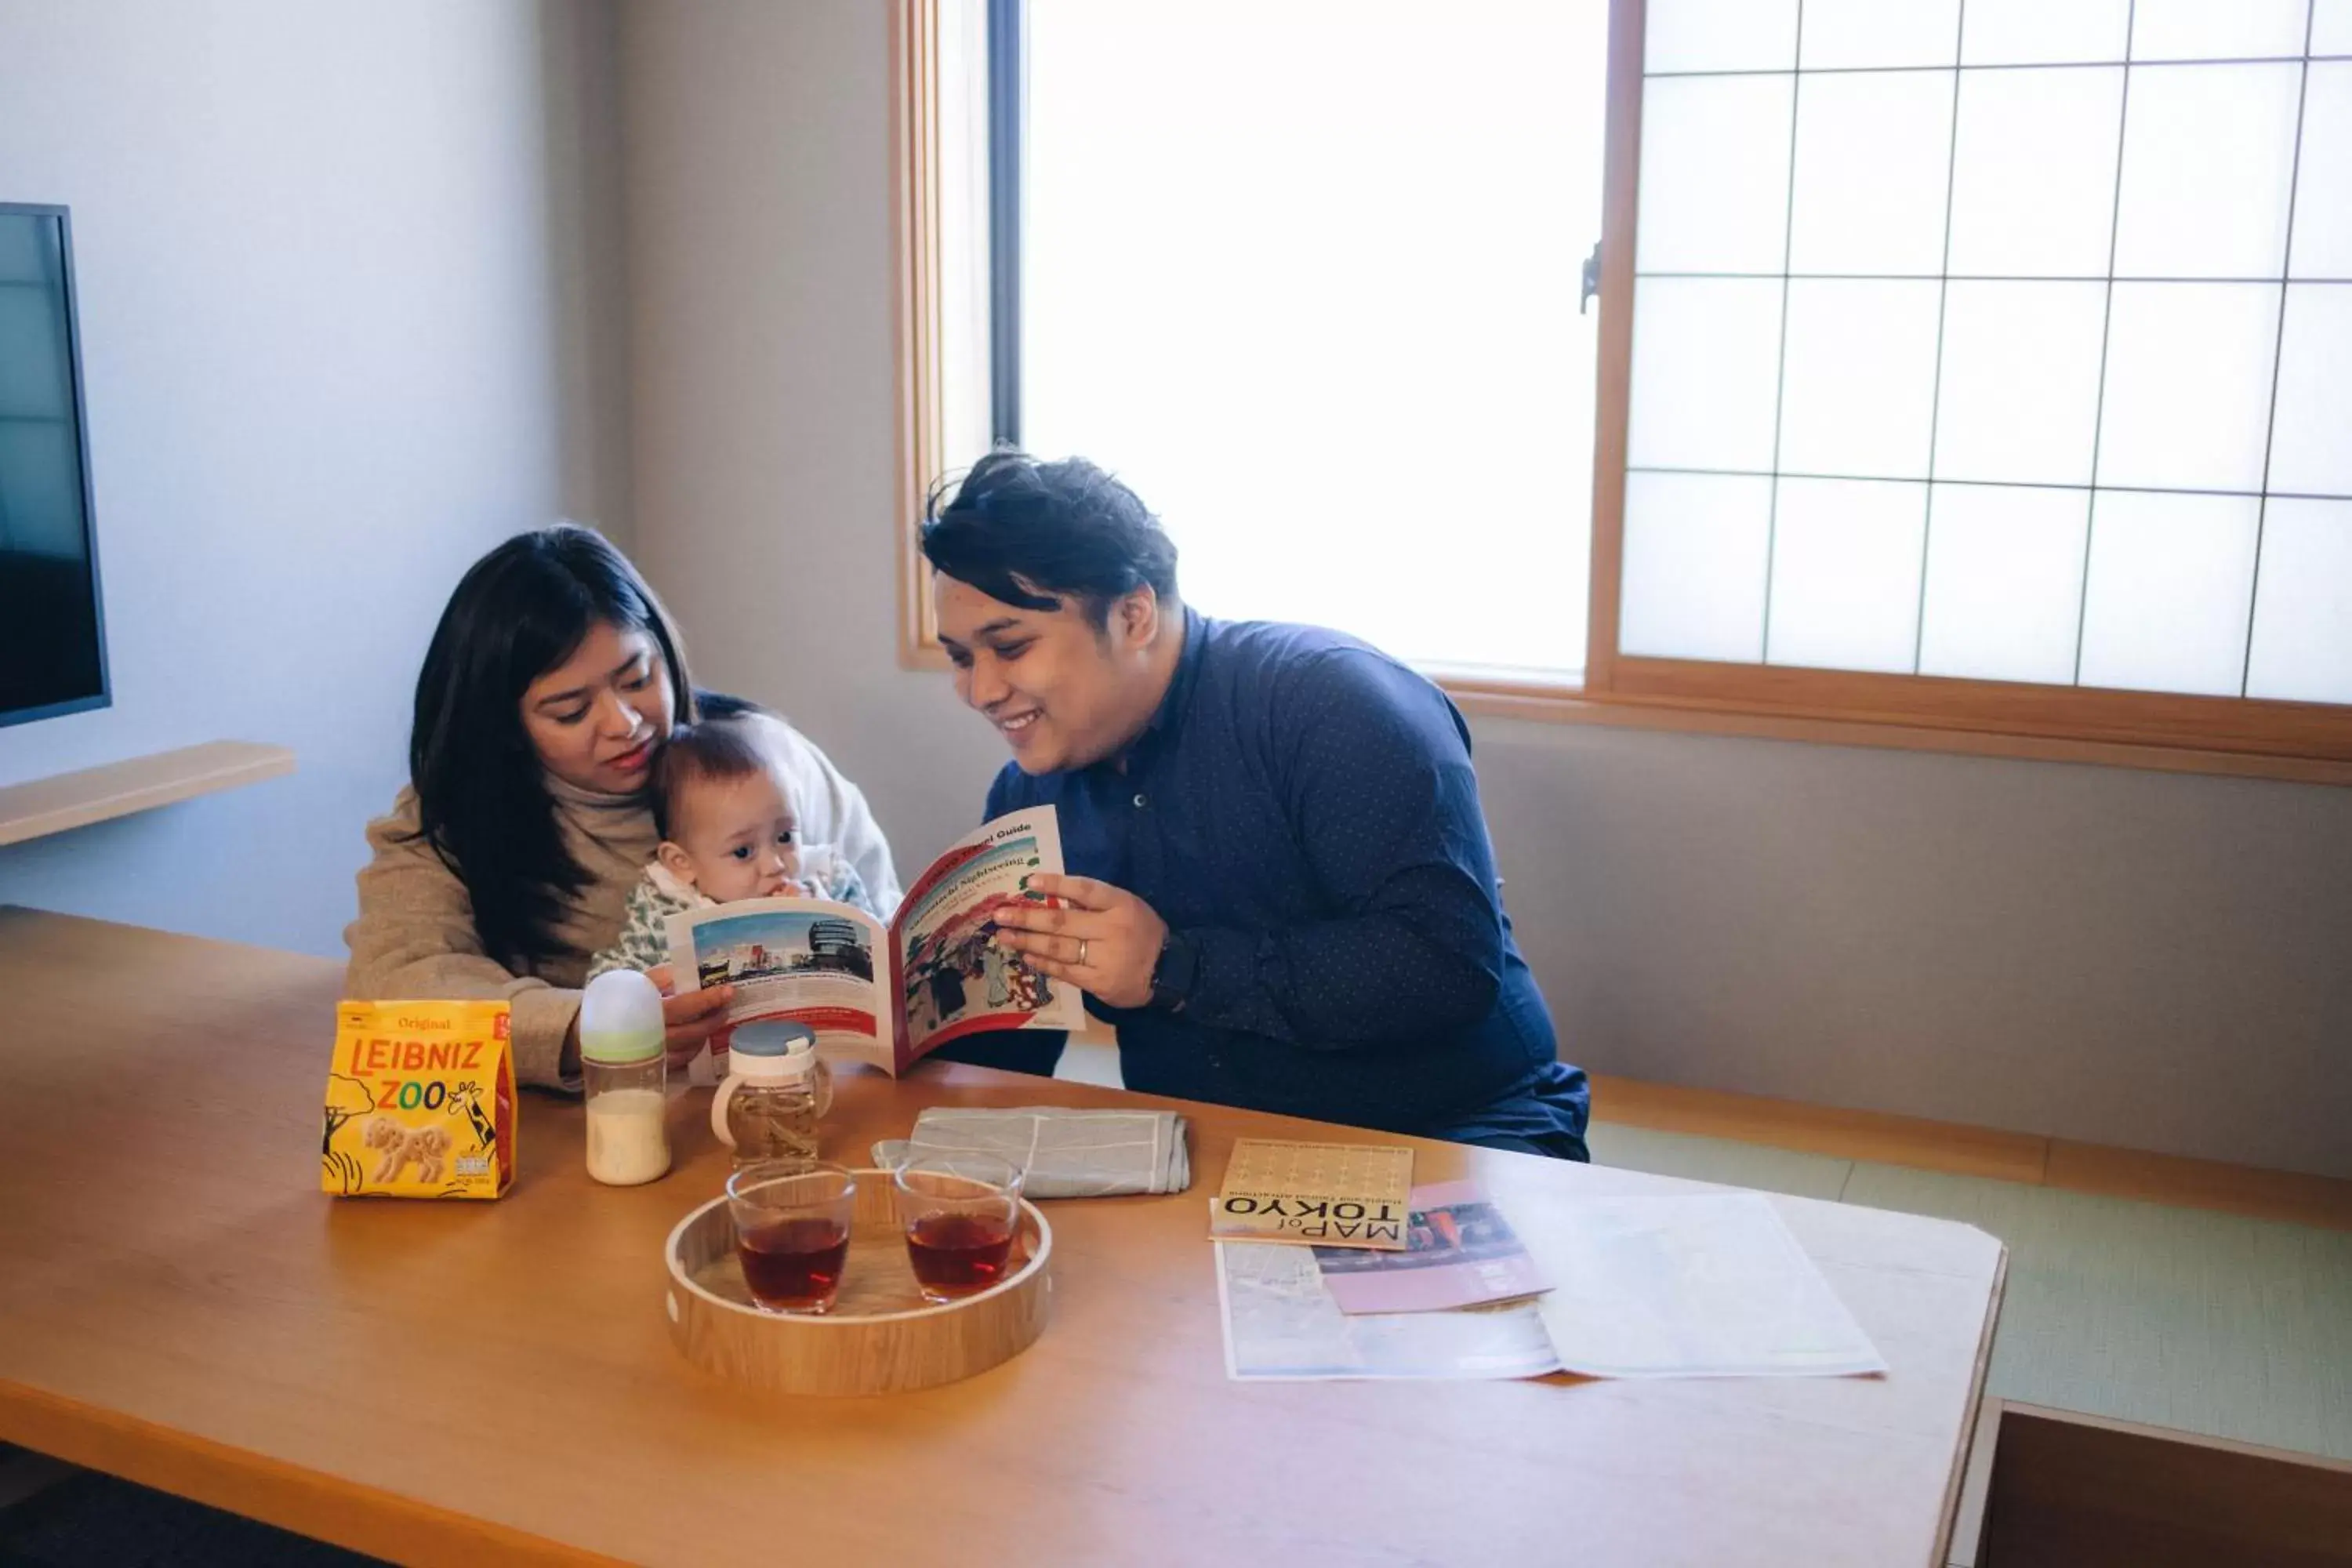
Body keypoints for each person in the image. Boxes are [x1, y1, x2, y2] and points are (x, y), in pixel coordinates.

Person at [921, 452, 1590, 1158]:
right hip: (1206, 1149)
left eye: (1011, 646)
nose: (980, 691)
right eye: (962, 658)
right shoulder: (1025, 796)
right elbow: (1011, 1042)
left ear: (1133, 615)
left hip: (1454, 1126)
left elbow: (1447, 965)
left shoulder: (1331, 705)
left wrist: (1175, 968)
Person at [343, 524, 900, 1090]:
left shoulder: (764, 764)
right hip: (584, 1128)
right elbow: (395, 981)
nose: (624, 724)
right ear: (507, 728)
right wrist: (588, 1027)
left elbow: (884, 924)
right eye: (570, 711)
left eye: (637, 678)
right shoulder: (456, 814)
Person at [586, 712, 881, 981]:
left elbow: (879, 947)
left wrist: (820, 911)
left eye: (785, 837)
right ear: (681, 863)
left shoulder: (831, 879)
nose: (775, 865)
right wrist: (644, 990)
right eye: (743, 852)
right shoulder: (663, 906)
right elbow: (608, 978)